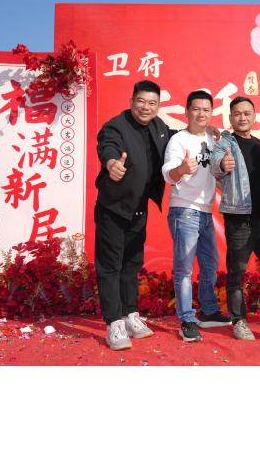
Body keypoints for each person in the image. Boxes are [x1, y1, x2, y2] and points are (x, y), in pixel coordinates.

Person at [95, 80, 175, 351]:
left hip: (138, 208)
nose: (146, 107)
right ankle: (113, 323)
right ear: (131, 101)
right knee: (110, 265)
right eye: (141, 101)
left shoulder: (158, 126)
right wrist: (111, 163)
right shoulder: (116, 126)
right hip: (113, 208)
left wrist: (202, 132)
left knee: (131, 263)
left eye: (152, 103)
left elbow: (174, 137)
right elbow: (107, 146)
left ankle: (130, 315)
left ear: (158, 106)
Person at [211, 96, 260, 340]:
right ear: (230, 118)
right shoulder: (225, 143)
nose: (242, 118)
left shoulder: (258, 144)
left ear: (254, 116)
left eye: (247, 113)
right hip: (239, 218)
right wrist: (223, 164)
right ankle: (239, 320)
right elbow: (215, 164)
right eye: (237, 114)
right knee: (237, 271)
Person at [162, 90, 231, 342]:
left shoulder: (214, 139)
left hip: (205, 212)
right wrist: (182, 169)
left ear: (211, 113)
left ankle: (209, 311)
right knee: (184, 269)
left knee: (210, 264)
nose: (201, 113)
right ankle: (187, 320)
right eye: (196, 109)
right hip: (184, 210)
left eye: (206, 109)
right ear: (187, 111)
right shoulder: (178, 140)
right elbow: (168, 173)